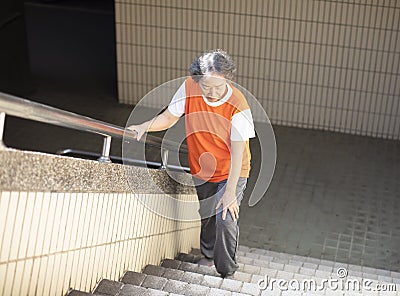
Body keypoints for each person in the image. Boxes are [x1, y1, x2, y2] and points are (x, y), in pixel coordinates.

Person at [128, 49, 255, 277]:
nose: (213, 92)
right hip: (202, 168)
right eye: (207, 86)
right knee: (206, 216)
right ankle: (207, 256)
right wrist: (143, 127)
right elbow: (168, 117)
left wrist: (230, 193)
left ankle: (227, 271)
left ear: (229, 79)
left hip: (232, 170)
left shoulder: (239, 104)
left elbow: (238, 153)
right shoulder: (189, 87)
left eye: (219, 86)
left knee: (225, 217)